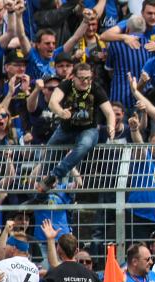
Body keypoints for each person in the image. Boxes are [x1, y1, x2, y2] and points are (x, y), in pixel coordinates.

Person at [38, 62, 116, 193]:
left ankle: (55, 175)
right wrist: (61, 112)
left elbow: (109, 112)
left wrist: (111, 126)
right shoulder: (66, 85)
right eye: (81, 78)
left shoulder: (96, 89)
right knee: (50, 151)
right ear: (73, 77)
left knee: (84, 145)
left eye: (88, 78)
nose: (85, 82)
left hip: (88, 129)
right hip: (65, 128)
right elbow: (52, 103)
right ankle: (41, 193)